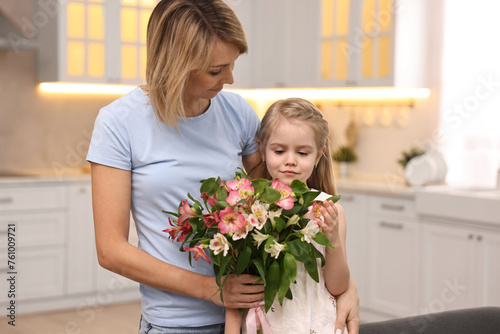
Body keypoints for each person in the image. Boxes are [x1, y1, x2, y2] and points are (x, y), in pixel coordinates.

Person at [86, 1, 360, 333]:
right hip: (176, 324)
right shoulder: (119, 123)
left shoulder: (237, 113)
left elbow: (283, 207)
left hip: (261, 319)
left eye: (231, 65)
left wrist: (345, 289)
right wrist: (213, 291)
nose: (229, 78)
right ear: (176, 65)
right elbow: (111, 250)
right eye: (216, 70)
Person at [225, 98, 351, 334]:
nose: (290, 160)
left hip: (319, 326)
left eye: (302, 152)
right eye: (280, 150)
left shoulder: (329, 210)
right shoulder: (248, 209)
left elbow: (338, 285)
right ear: (262, 149)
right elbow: (236, 290)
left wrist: (332, 239)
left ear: (319, 155)